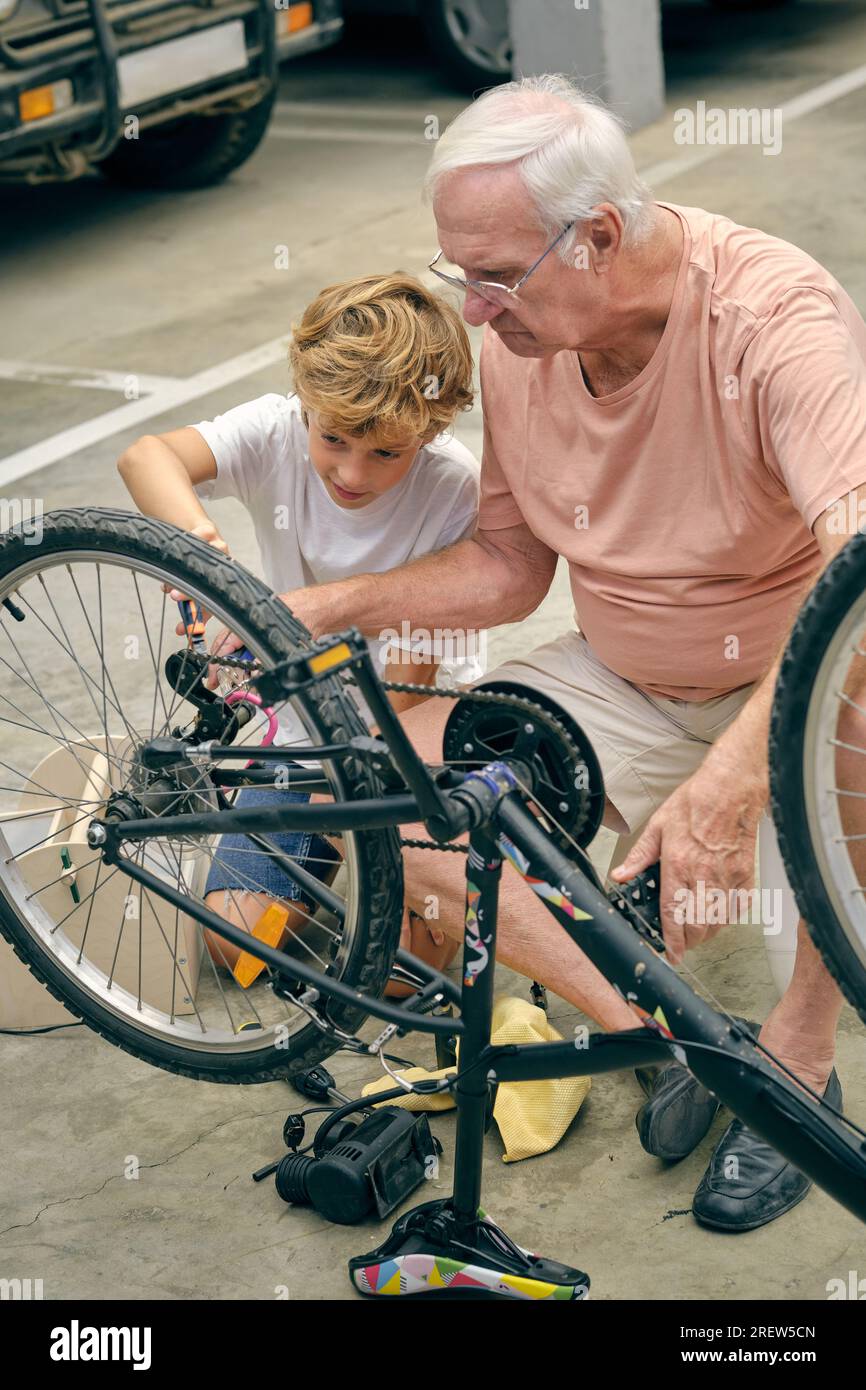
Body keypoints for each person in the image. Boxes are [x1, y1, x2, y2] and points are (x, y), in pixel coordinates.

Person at [271, 76, 866, 1232]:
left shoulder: (768, 316)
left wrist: (735, 781)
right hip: (622, 673)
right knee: (401, 788)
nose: (474, 313)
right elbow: (507, 558)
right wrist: (324, 603)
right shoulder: (521, 337)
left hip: (792, 688)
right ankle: (667, 1035)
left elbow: (857, 561)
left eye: (492, 277)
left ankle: (796, 1057)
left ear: (595, 236)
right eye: (461, 276)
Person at [117, 272, 479, 991]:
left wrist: (341, 803)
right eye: (335, 438)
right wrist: (199, 553)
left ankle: (396, 873)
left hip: (406, 733)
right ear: (306, 404)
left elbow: (411, 683)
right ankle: (328, 868)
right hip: (302, 736)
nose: (351, 471)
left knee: (405, 979)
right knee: (232, 943)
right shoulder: (275, 429)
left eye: (386, 453)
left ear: (432, 429)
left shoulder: (452, 487)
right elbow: (145, 457)